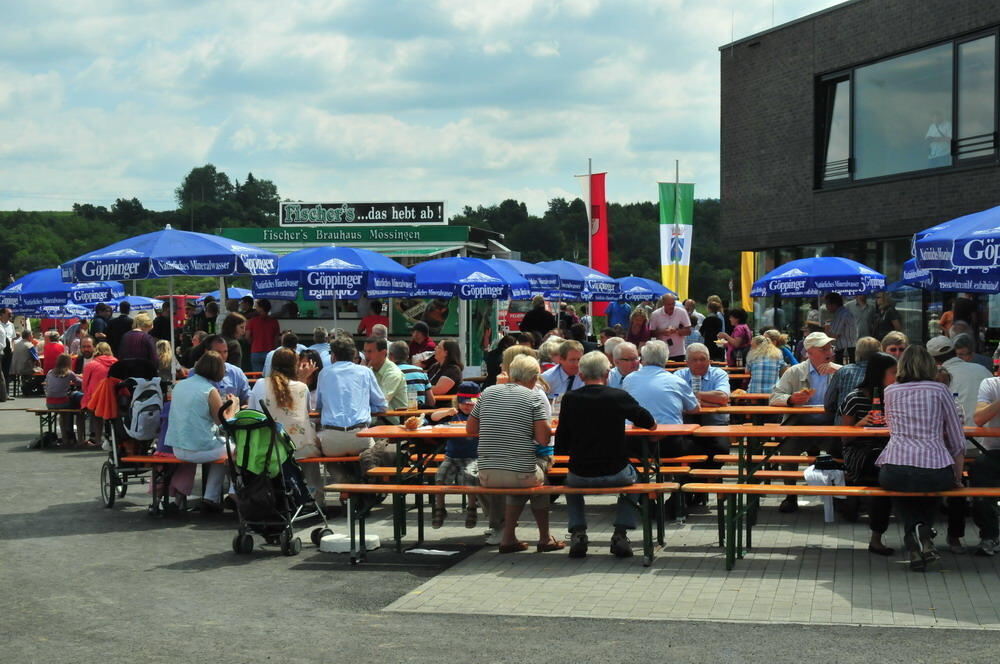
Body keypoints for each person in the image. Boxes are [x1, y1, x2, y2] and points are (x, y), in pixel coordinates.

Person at [555, 351, 657, 558]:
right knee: (637, 479)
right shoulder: (617, 397)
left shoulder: (570, 399)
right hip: (616, 470)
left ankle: (578, 532)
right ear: (607, 374)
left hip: (580, 473)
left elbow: (561, 441)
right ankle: (620, 532)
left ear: (581, 375)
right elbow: (649, 422)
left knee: (570, 483)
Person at [878, 345, 965, 571]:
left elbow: (891, 427)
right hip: (934, 465)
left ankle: (916, 539)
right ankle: (923, 532)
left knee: (902, 491)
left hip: (894, 465)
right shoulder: (939, 390)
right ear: (929, 365)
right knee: (931, 489)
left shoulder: (890, 391)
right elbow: (957, 440)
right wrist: (957, 476)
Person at [469, 355, 563, 554]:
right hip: (520, 473)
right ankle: (544, 538)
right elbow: (544, 440)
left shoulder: (487, 393)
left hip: (485, 474)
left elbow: (470, 429)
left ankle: (509, 537)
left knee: (521, 478)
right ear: (534, 378)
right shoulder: (534, 397)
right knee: (537, 481)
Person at [769, 331, 842, 512]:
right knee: (787, 451)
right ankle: (791, 496)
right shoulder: (795, 371)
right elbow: (774, 397)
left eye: (830, 348)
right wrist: (791, 399)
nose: (830, 352)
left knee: (845, 449)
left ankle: (842, 496)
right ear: (809, 352)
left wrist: (840, 371)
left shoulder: (840, 370)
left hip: (830, 425)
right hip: (800, 424)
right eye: (824, 348)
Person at [838, 352, 898, 556]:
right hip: (861, 453)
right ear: (879, 373)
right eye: (893, 372)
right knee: (881, 474)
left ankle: (916, 530)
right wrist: (860, 425)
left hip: (890, 450)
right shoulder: (855, 397)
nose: (897, 376)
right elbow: (844, 438)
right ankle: (876, 537)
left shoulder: (897, 395)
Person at [166, 350, 238, 511]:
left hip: (178, 447)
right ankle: (233, 492)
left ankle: (210, 498)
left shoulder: (179, 386)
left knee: (222, 450)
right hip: (199, 448)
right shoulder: (209, 391)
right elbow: (223, 423)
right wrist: (233, 407)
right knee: (234, 450)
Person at [314, 337, 388, 484]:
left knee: (324, 454)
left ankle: (342, 480)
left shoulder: (324, 373)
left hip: (332, 440)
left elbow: (319, 407)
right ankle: (365, 480)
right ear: (354, 355)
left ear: (333, 356)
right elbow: (382, 405)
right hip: (360, 437)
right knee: (381, 444)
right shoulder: (365, 372)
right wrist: (366, 407)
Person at [248, 347, 319, 495]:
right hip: (298, 448)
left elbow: (251, 413)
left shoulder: (260, 384)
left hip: (267, 448)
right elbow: (306, 413)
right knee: (311, 450)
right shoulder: (302, 387)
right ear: (295, 365)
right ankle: (315, 498)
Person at [429, 381, 482, 529]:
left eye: (471, 403)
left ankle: (472, 508)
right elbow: (433, 417)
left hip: (473, 456)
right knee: (440, 477)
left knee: (471, 478)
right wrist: (446, 412)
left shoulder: (479, 416)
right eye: (463, 403)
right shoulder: (453, 415)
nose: (467, 406)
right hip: (452, 456)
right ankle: (440, 508)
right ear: (457, 402)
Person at [673, 342, 731, 472]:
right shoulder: (678, 375)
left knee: (721, 450)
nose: (699, 363)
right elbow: (676, 400)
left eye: (703, 359)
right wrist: (711, 401)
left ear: (709, 360)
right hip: (686, 424)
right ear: (686, 362)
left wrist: (692, 396)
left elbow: (723, 397)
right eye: (694, 360)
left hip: (715, 423)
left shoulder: (718, 374)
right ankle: (692, 486)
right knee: (681, 450)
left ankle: (704, 482)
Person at [623, 340, 699, 426]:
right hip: (670, 434)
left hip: (637, 434)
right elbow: (694, 409)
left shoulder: (628, 379)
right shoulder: (677, 381)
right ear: (666, 358)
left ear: (643, 358)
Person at [927, 335, 990, 427]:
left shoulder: (936, 378)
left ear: (932, 360)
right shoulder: (983, 370)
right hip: (990, 437)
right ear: (955, 353)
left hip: (960, 437)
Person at [971, 371, 1000, 556]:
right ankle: (989, 535)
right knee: (980, 468)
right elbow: (979, 419)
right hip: (994, 451)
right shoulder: (990, 384)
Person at [823, 336, 882, 416]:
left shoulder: (843, 371)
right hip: (876, 422)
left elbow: (828, 403)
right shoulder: (885, 372)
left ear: (857, 353)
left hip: (843, 424)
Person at [80, 342, 117, 447]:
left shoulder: (91, 364)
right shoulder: (117, 363)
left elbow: (84, 385)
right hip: (113, 398)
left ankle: (97, 439)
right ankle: (113, 439)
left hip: (96, 399)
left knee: (96, 417)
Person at [44, 353, 84, 447]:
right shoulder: (69, 373)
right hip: (62, 402)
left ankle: (65, 438)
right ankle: (73, 437)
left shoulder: (50, 372)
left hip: (50, 402)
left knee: (61, 417)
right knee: (71, 410)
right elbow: (79, 382)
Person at [364, 337, 407, 415]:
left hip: (392, 423)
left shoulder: (393, 373)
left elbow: (381, 403)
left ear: (383, 353)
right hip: (375, 420)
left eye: (370, 352)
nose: (366, 356)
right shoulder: (369, 370)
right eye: (365, 351)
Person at [388, 341, 433, 408]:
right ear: (408, 356)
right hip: (420, 416)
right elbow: (431, 402)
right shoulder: (420, 371)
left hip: (397, 416)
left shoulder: (389, 373)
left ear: (390, 355)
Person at [648, 294, 691, 362]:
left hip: (679, 353)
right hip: (661, 353)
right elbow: (651, 333)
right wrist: (663, 332)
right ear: (663, 304)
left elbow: (688, 331)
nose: (672, 306)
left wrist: (677, 331)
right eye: (669, 304)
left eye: (673, 304)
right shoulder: (655, 314)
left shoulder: (681, 312)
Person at [245, 299, 280, 373]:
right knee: (270, 376)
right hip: (270, 352)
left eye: (257, 307)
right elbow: (276, 339)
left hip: (255, 351)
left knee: (256, 376)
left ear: (261, 308)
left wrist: (253, 343)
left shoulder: (252, 321)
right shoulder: (274, 321)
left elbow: (247, 336)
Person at [824, 293, 857, 364]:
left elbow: (834, 335)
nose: (826, 307)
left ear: (834, 304)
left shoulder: (841, 314)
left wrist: (826, 330)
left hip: (845, 351)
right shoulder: (842, 313)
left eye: (827, 304)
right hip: (847, 349)